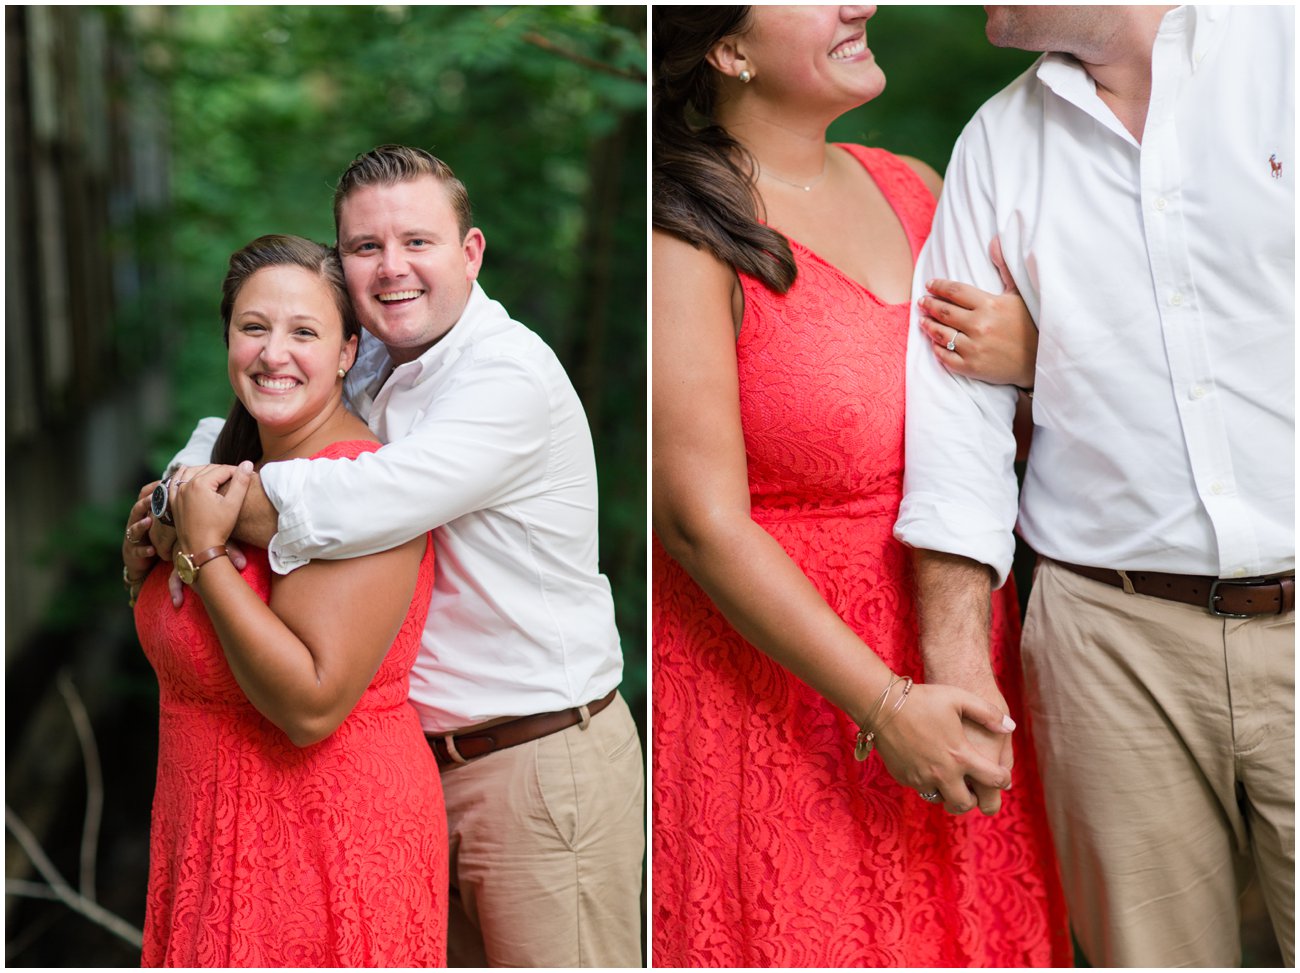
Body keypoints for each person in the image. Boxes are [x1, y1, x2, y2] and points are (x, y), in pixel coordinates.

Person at [127, 146, 644, 968]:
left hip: (538, 763)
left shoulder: (505, 376)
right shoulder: (370, 354)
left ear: (470, 253)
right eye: (366, 247)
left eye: (417, 242)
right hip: (411, 762)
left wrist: (201, 531)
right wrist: (170, 498)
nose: (391, 267)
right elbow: (230, 429)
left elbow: (360, 501)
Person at [651, 6, 1070, 967]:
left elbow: (1022, 439)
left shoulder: (918, 188)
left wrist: (1044, 357)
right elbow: (697, 520)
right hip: (781, 684)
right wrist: (883, 705)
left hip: (962, 646)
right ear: (728, 48)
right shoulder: (680, 229)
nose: (861, 3)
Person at [895, 5, 1294, 966]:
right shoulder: (997, 141)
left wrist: (1054, 357)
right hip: (1104, 642)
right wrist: (955, 658)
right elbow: (956, 425)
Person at [121, 235, 445, 966]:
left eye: (304, 331)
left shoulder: (360, 487)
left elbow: (309, 706)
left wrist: (204, 558)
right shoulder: (229, 470)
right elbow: (191, 642)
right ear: (228, 336)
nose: (275, 353)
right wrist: (139, 555)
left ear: (346, 351)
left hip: (323, 838)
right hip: (204, 829)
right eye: (254, 327)